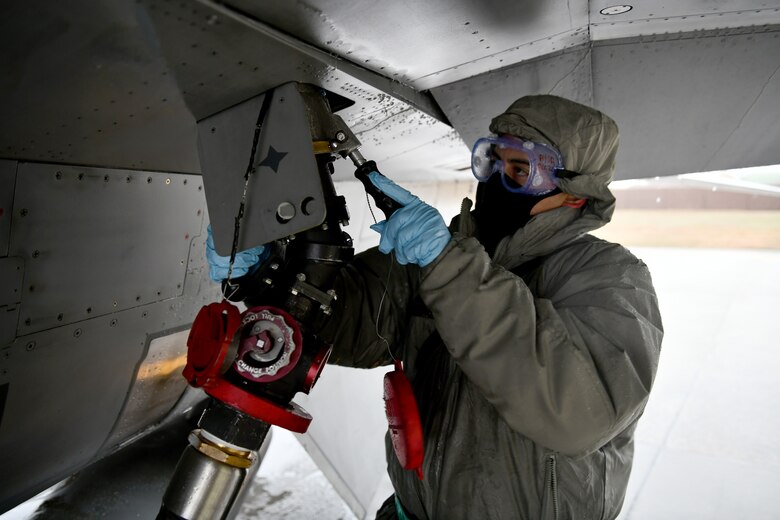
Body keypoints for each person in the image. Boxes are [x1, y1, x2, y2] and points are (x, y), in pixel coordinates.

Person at [208, 94, 663, 519]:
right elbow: (352, 321)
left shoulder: (611, 279)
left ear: (575, 194)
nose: (496, 183)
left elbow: (576, 415)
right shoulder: (449, 250)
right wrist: (270, 276)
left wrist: (449, 266)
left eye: (520, 171)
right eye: (493, 162)